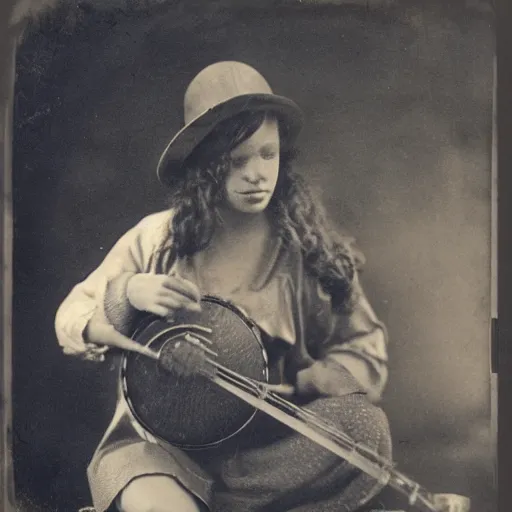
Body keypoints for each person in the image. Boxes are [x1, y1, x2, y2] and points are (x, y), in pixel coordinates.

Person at [55, 61, 392, 512]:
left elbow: (365, 344)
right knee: (153, 491)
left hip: (264, 452)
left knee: (367, 431)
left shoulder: (301, 249)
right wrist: (129, 291)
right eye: (238, 160)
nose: (257, 173)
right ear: (205, 165)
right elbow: (69, 321)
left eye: (267, 154)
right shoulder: (158, 238)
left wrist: (324, 374)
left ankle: (219, 503)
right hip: (162, 450)